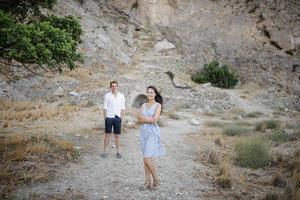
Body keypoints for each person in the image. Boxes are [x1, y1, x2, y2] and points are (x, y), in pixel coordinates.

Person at [137, 86, 165, 189]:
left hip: (152, 133)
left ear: (155, 94)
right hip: (143, 132)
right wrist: (146, 119)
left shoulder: (158, 105)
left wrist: (143, 118)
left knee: (147, 158)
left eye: (151, 92)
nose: (149, 94)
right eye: (148, 92)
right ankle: (148, 182)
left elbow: (155, 120)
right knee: (146, 159)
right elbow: (139, 120)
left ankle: (156, 179)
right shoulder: (143, 105)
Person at [101, 81, 125, 159]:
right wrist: (105, 118)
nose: (114, 87)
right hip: (109, 117)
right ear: (110, 87)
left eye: (115, 86)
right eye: (112, 86)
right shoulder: (107, 96)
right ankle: (104, 152)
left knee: (117, 136)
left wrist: (121, 118)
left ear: (117, 87)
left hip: (117, 118)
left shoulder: (121, 96)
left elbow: (123, 108)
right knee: (107, 135)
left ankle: (118, 152)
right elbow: (105, 107)